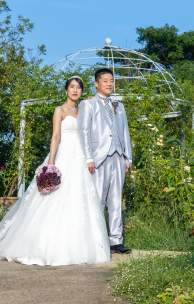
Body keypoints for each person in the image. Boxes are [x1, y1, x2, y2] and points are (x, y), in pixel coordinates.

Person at [0, 76, 111, 265]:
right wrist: (51, 163)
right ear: (66, 90)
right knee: (54, 199)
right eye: (72, 87)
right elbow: (55, 137)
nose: (75, 90)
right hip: (64, 156)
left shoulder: (83, 111)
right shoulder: (59, 110)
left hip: (80, 159)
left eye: (78, 87)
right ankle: (44, 245)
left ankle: (83, 247)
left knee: (80, 198)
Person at [77, 67, 133, 254]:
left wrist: (128, 156)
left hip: (118, 157)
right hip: (98, 158)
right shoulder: (88, 104)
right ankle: (96, 239)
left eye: (111, 80)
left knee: (116, 199)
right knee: (98, 200)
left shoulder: (119, 105)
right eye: (105, 80)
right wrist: (89, 157)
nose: (110, 83)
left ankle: (115, 241)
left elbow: (125, 132)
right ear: (96, 84)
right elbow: (84, 132)